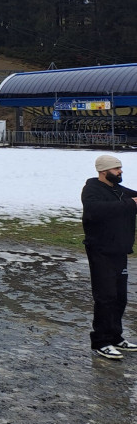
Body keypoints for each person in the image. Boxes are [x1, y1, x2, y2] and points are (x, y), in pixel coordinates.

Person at [81, 154, 137, 360]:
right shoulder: (92, 190)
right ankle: (100, 341)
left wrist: (132, 202)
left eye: (120, 168)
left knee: (120, 297)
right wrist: (132, 204)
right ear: (104, 171)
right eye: (116, 169)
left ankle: (115, 336)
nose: (120, 172)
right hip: (100, 250)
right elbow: (95, 211)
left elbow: (132, 199)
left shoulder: (117, 190)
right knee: (105, 297)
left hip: (119, 250)